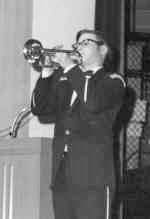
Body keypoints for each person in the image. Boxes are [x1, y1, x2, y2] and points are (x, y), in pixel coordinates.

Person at [31, 29, 126, 219]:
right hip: (62, 175)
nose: (77, 47)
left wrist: (70, 69)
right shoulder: (68, 81)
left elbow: (92, 102)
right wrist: (47, 72)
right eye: (77, 44)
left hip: (94, 180)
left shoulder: (113, 81)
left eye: (85, 43)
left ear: (103, 49)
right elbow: (39, 108)